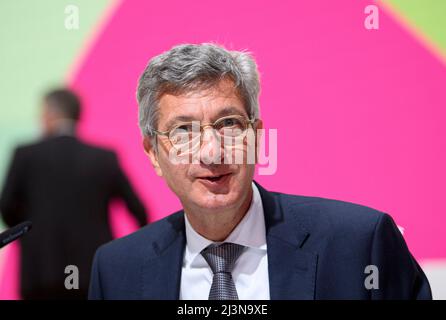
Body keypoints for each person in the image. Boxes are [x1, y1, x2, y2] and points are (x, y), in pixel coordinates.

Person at [88, 43, 431, 300]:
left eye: (229, 124)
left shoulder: (359, 244)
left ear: (257, 135)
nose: (211, 151)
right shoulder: (117, 271)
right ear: (152, 153)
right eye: (183, 131)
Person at [0, 88, 148, 299]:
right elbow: (138, 210)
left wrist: (31, 232)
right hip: (91, 274)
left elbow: (6, 207)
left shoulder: (25, 155)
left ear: (50, 115)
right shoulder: (103, 158)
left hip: (40, 272)